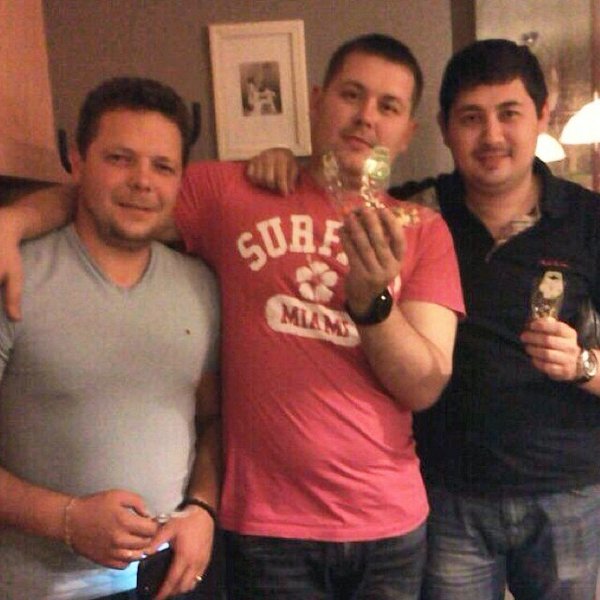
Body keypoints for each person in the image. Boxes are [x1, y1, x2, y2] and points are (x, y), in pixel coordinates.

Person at [0, 34, 464, 599]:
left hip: (388, 522)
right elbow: (114, 198)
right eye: (352, 95)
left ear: (407, 132)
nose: (366, 117)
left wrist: (371, 303)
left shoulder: (421, 229)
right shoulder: (231, 190)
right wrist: (13, 222)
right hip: (268, 526)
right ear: (316, 102)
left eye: (388, 106)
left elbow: (423, 385)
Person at [246, 38, 600, 600]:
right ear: (442, 128)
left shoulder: (589, 220)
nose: (491, 136)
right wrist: (288, 164)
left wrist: (582, 364)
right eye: (471, 118)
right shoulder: (411, 214)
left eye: (509, 114)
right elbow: (334, 193)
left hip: (568, 492)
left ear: (542, 115)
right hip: (446, 494)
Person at [0, 77, 221, 599]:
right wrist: (67, 518)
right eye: (120, 159)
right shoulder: (14, 273)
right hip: (39, 586)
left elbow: (212, 420)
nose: (143, 182)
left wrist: (203, 508)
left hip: (170, 581)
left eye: (163, 166)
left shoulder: (201, 285)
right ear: (77, 161)